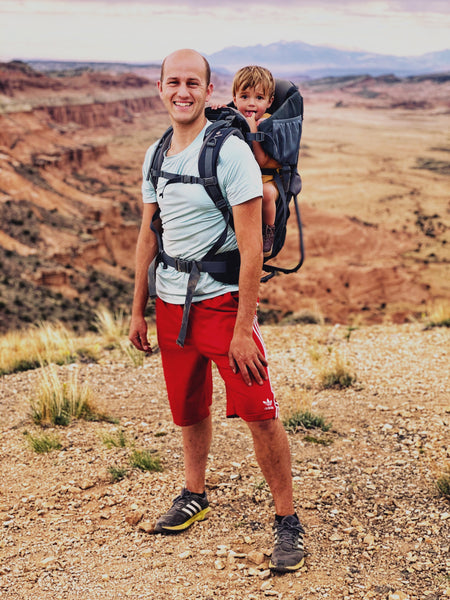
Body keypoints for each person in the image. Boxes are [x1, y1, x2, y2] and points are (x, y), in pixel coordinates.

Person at [128, 48, 305, 573]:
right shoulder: (155, 154)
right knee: (188, 407)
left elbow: (252, 247)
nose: (182, 92)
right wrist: (137, 309)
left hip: (222, 304)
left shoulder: (230, 152)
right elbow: (147, 236)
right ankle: (194, 493)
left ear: (210, 92)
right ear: (159, 87)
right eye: (173, 82)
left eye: (193, 84)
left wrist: (245, 326)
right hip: (169, 302)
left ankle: (287, 520)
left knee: (258, 412)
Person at [211, 65, 280, 257]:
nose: (251, 104)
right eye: (244, 97)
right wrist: (220, 112)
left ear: (269, 101)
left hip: (266, 179)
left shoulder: (268, 123)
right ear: (234, 99)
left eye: (259, 98)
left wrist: (253, 132)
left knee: (265, 193)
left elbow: (261, 161)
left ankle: (268, 231)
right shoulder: (235, 117)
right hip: (241, 178)